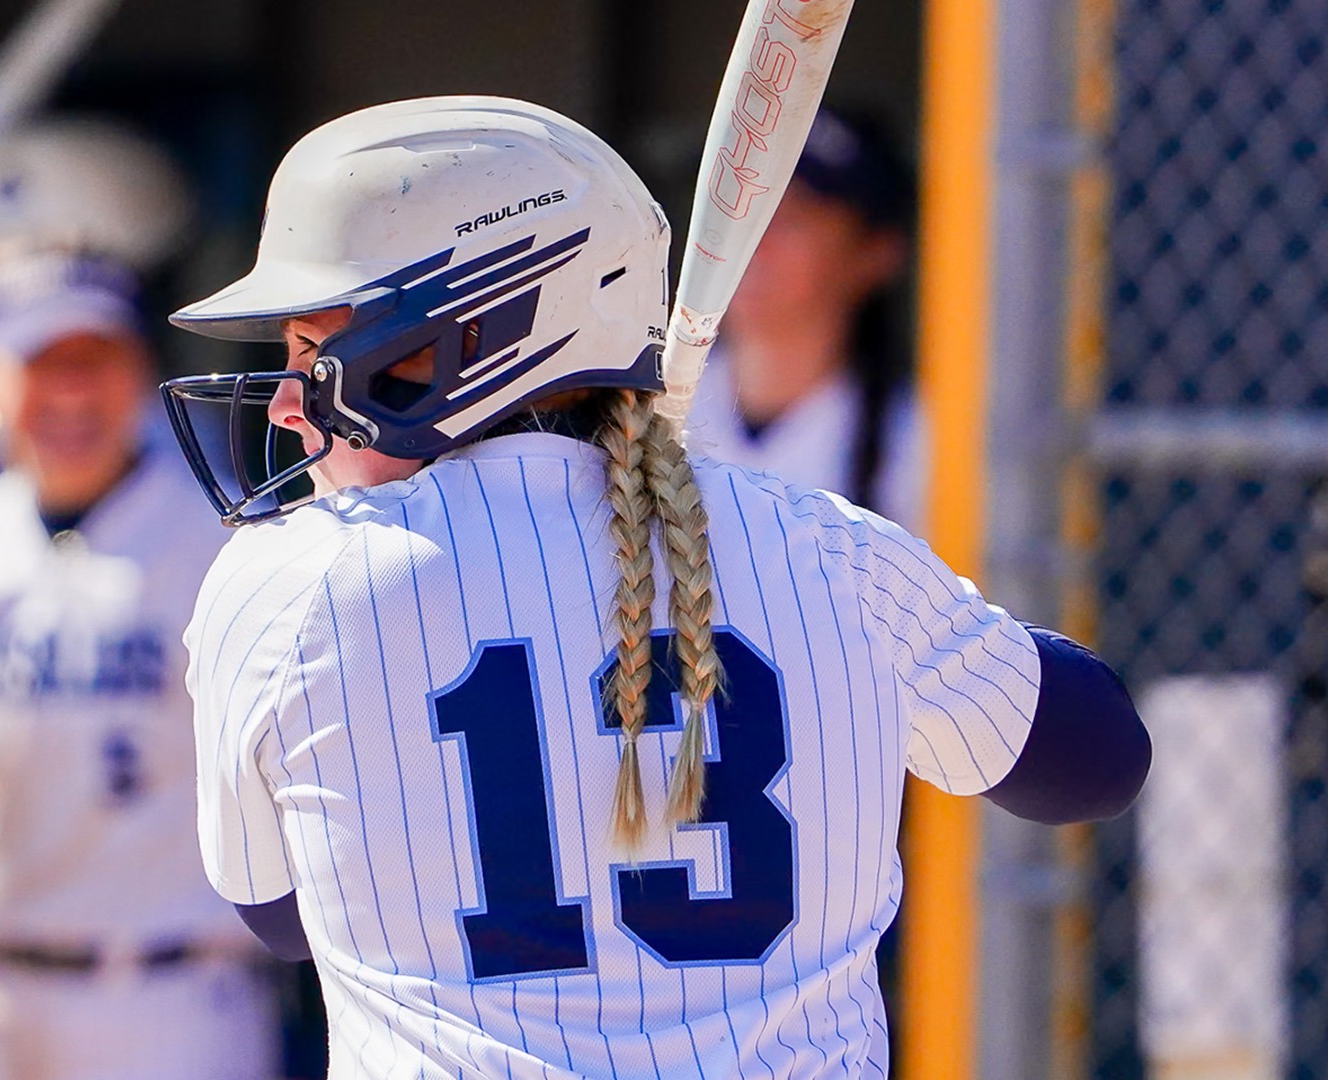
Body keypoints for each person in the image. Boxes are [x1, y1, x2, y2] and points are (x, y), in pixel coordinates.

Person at [164, 96, 1151, 1078]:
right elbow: (1095, 759)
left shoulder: (286, 582)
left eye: (313, 355)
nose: (288, 406)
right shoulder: (822, 546)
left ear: (469, 345)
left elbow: (283, 915)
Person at [0, 240, 279, 1080]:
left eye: (96, 357)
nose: (72, 388)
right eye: (41, 359)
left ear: (139, 371)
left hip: (171, 990)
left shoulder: (224, 548)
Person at [685, 107, 923, 528]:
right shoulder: (640, 414)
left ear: (877, 251)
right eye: (739, 206)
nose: (755, 239)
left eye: (792, 218)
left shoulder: (918, 449)